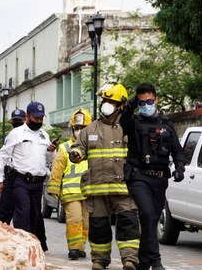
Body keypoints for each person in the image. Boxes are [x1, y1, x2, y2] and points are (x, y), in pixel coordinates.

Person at [69, 82, 140, 270]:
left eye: (110, 101)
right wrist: (76, 153)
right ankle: (99, 260)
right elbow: (78, 147)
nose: (105, 104)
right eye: (104, 100)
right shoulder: (90, 129)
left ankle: (130, 260)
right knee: (98, 226)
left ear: (121, 105)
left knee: (128, 223)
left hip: (123, 187)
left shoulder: (129, 127)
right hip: (97, 187)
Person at [120, 83, 185, 270]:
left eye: (149, 101)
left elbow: (177, 150)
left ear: (156, 100)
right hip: (139, 177)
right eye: (142, 102)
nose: (146, 105)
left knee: (151, 220)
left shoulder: (166, 123)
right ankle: (156, 261)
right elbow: (123, 118)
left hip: (160, 178)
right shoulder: (134, 122)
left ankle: (143, 262)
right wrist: (133, 102)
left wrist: (180, 167)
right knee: (147, 214)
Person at [0, 101, 56, 243]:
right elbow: (3, 156)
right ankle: (21, 243)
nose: (38, 121)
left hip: (37, 183)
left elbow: (49, 159)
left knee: (34, 214)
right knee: (23, 211)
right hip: (20, 181)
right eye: (35, 118)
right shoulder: (16, 134)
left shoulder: (44, 135)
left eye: (41, 119)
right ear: (27, 116)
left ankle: (32, 242)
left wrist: (52, 151)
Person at [48, 108, 92, 260]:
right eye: (77, 128)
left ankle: (80, 247)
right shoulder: (65, 147)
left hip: (89, 192)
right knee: (75, 220)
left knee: (86, 222)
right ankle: (73, 248)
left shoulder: (94, 146)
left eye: (83, 128)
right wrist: (53, 187)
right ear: (73, 128)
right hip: (70, 191)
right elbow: (57, 168)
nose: (80, 131)